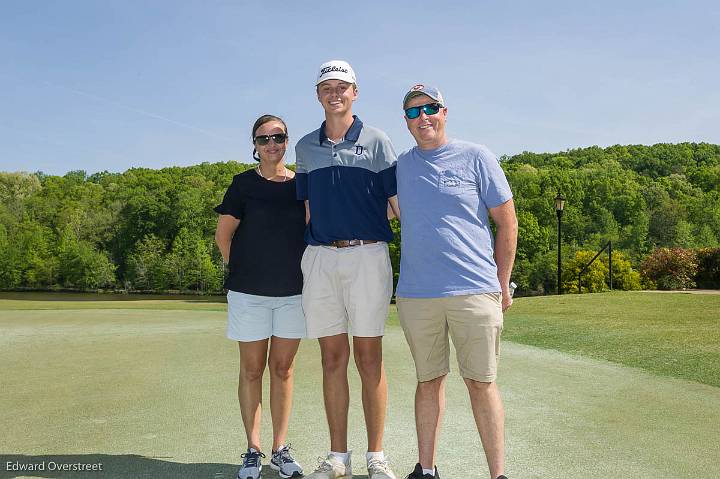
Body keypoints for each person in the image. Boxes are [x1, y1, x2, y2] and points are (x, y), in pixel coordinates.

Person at [395, 85, 517, 479]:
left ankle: (497, 474)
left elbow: (507, 222)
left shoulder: (477, 157)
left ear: (444, 112)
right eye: (414, 112)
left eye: (430, 108)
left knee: (481, 383)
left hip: (474, 290)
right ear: (407, 121)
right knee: (428, 381)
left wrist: (501, 283)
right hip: (417, 295)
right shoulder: (400, 167)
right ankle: (426, 469)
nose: (423, 117)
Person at [295, 60, 400, 479]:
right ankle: (339, 457)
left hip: (367, 256)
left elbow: (396, 205)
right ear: (318, 95)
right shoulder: (304, 147)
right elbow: (306, 208)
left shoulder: (377, 140)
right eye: (326, 88)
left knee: (369, 359)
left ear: (355, 92)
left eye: (342, 87)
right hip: (320, 258)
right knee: (332, 357)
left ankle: (377, 457)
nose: (334, 94)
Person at [214, 114, 306, 479]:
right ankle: (252, 450)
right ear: (254, 145)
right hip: (249, 294)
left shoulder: (303, 185)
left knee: (282, 369)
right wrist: (243, 271)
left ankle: (279, 450)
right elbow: (225, 237)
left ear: (286, 141)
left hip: (293, 294)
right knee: (252, 370)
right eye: (263, 138)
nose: (271, 144)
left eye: (278, 137)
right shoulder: (241, 185)